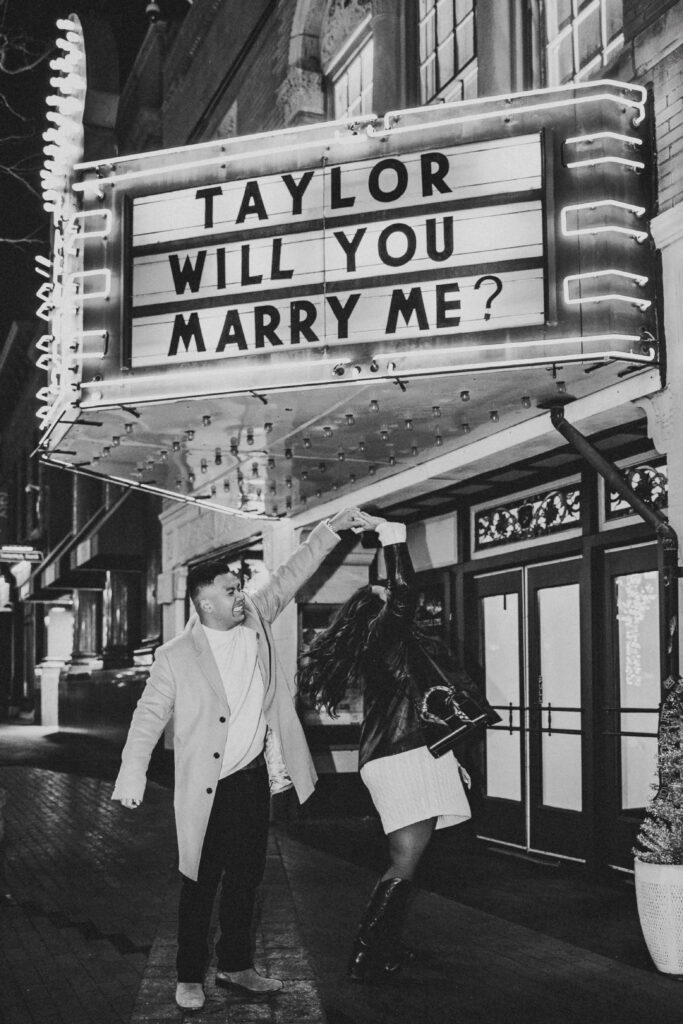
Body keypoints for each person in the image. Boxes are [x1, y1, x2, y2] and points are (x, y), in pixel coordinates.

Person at [112, 506, 369, 1012]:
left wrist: (332, 528)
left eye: (238, 587)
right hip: (205, 787)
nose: (239, 596)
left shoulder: (255, 616)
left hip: (250, 780)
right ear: (204, 602)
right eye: (230, 590)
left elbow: (293, 571)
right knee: (199, 883)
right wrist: (131, 773)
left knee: (247, 878)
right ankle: (188, 975)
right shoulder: (175, 656)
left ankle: (235, 965)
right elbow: (147, 718)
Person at [297, 515, 473, 982]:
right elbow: (403, 594)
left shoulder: (388, 650)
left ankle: (384, 946)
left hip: (405, 753)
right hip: (403, 758)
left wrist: (449, 757)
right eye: (387, 600)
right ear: (377, 615)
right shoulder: (385, 636)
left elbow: (422, 707)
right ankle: (365, 953)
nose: (396, 603)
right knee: (405, 859)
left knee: (408, 860)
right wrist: (392, 536)